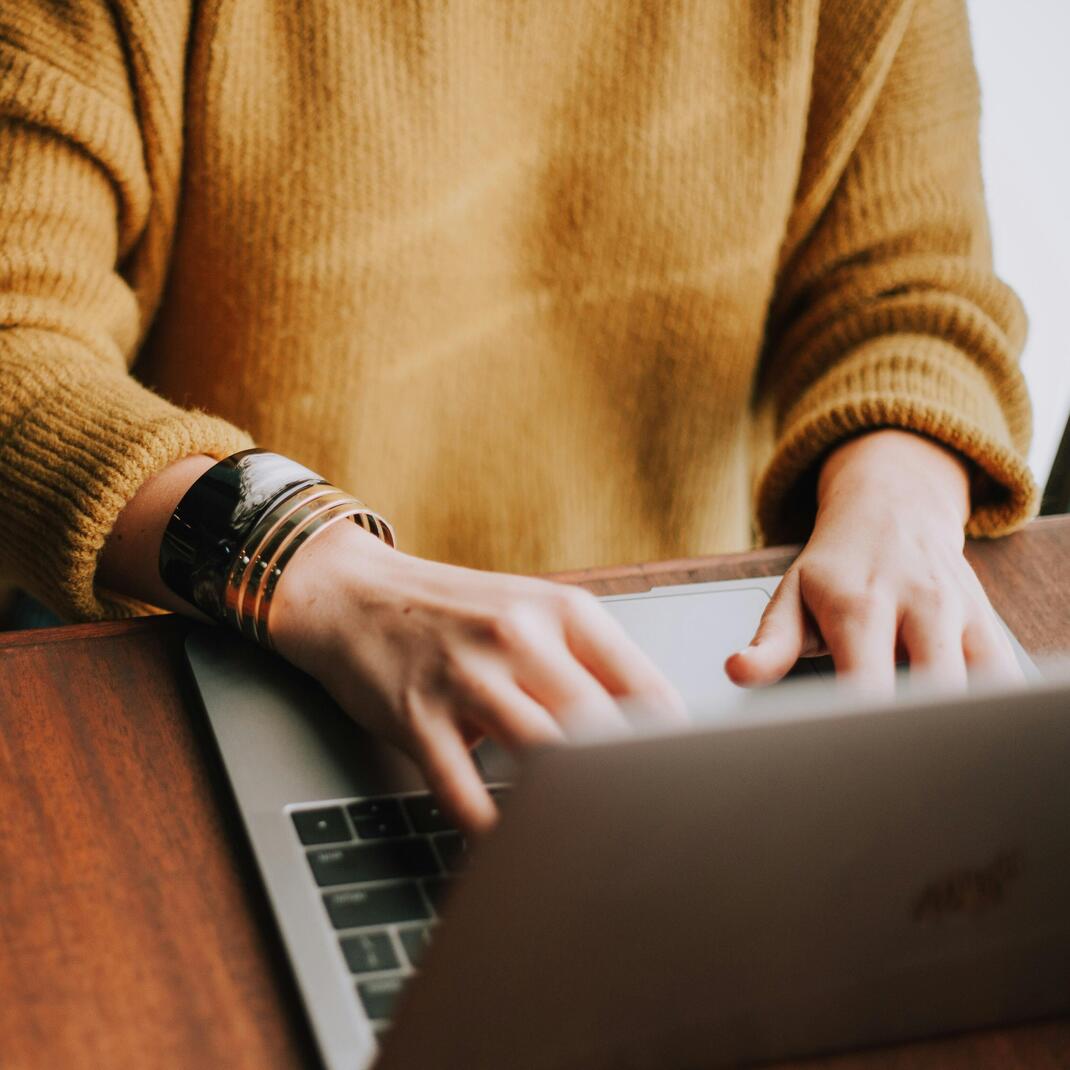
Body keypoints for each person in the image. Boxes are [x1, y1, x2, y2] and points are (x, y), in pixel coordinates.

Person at [0, 0, 1036, 831]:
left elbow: (909, 289)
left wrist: (896, 499)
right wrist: (319, 572)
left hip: (692, 683)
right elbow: (18, 332)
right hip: (250, 669)